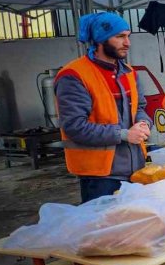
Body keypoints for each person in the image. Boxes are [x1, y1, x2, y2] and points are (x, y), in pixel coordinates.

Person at [55, 12, 151, 203]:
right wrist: (124, 134)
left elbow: (140, 107)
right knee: (105, 230)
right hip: (100, 176)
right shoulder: (74, 75)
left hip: (136, 169)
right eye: (120, 36)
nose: (127, 43)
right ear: (100, 40)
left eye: (128, 36)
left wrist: (144, 122)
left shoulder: (129, 72)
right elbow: (75, 127)